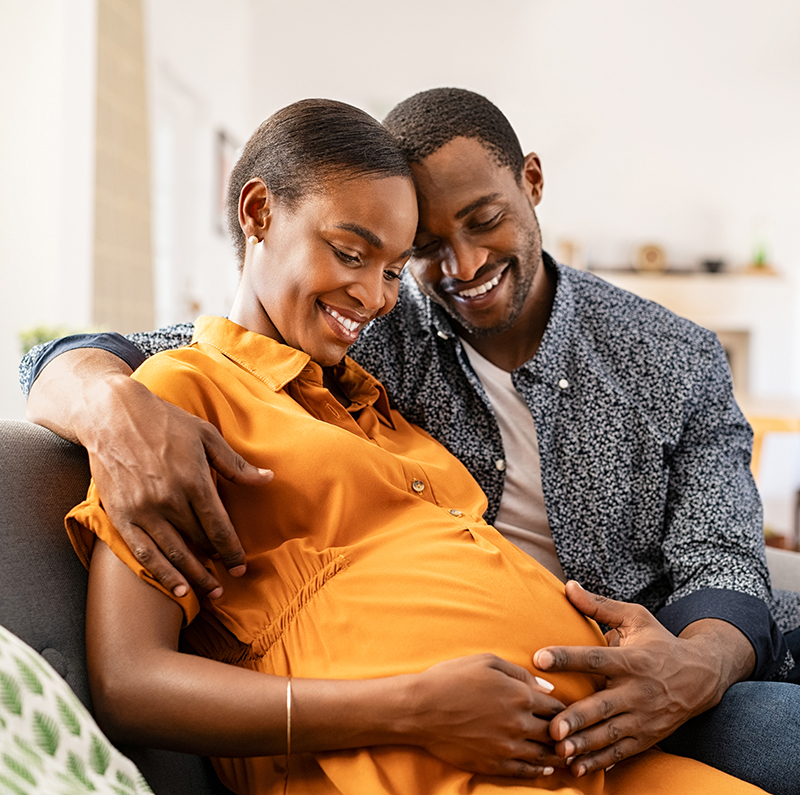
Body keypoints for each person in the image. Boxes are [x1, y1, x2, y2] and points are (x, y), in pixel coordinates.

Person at [20, 89, 800, 792]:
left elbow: (723, 559)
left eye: (484, 221)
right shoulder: (362, 338)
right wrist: (107, 402)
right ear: (258, 214)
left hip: (649, 676)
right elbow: (156, 355)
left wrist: (691, 667)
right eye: (416, 249)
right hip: (497, 735)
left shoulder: (667, 355)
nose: (457, 267)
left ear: (531, 183)